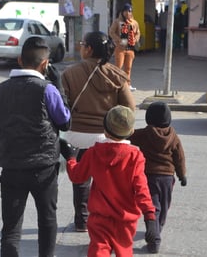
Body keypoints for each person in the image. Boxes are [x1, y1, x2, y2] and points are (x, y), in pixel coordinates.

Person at [0, 37, 71, 257]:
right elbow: (65, 121)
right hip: (43, 168)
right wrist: (59, 86)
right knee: (46, 221)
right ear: (45, 65)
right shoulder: (48, 90)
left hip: (11, 166)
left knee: (10, 228)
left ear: (19, 60)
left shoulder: (1, 89)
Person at [61, 31, 136, 232]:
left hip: (77, 136)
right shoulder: (117, 76)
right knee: (107, 181)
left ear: (90, 49)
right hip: (107, 137)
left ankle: (82, 220)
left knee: (81, 178)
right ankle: (106, 217)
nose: (80, 47)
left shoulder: (70, 73)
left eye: (82, 44)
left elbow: (62, 106)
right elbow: (129, 108)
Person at [60, 105, 157, 256]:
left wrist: (71, 158)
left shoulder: (93, 152)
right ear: (131, 132)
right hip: (125, 221)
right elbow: (141, 189)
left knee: (98, 251)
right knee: (124, 252)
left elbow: (77, 176)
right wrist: (150, 217)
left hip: (99, 219)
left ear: (104, 129)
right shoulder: (135, 156)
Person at [129, 101, 187, 254]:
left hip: (148, 176)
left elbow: (129, 135)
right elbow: (179, 158)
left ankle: (153, 233)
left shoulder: (145, 134)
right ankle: (157, 231)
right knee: (164, 206)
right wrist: (182, 175)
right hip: (168, 178)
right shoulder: (173, 136)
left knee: (152, 207)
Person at [109, 3, 140, 91]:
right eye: (126, 11)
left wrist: (136, 39)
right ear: (122, 12)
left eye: (129, 11)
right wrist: (118, 39)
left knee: (128, 68)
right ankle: (116, 83)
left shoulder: (134, 22)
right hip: (120, 48)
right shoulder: (117, 22)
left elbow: (138, 33)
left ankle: (127, 84)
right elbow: (111, 32)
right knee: (118, 66)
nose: (127, 13)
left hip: (130, 48)